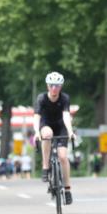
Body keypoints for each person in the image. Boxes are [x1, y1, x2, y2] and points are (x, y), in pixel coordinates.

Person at [33, 71, 75, 204]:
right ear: (47, 86)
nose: (54, 88)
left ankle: (67, 189)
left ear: (61, 87)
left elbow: (66, 116)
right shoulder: (41, 99)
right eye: (51, 85)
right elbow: (36, 118)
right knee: (47, 135)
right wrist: (36, 132)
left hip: (60, 125)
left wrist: (70, 131)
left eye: (57, 85)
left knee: (63, 156)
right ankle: (45, 166)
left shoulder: (64, 98)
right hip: (46, 125)